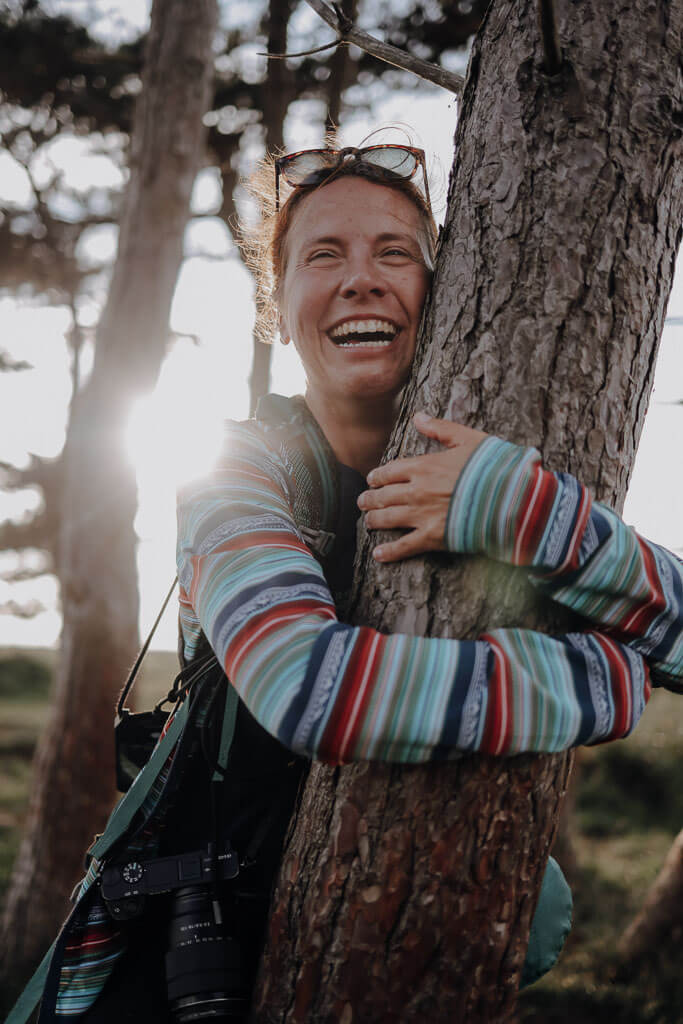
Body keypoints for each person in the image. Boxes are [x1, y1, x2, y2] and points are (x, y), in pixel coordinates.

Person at [15, 143, 682, 1023]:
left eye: (394, 253)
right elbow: (307, 689)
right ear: (277, 307)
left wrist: (534, 517)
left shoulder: (503, 483)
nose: (361, 279)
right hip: (186, 955)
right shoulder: (232, 477)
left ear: (442, 295)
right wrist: (594, 684)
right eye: (322, 256)